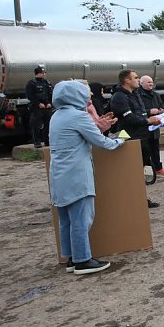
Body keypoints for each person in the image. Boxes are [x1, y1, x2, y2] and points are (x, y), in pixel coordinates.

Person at [49, 80, 125, 275]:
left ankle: (71, 259)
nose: (89, 97)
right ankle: (83, 260)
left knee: (66, 219)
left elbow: (81, 136)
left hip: (59, 173)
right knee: (82, 219)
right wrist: (119, 141)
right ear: (76, 96)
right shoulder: (78, 116)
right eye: (85, 94)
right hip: (76, 173)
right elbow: (100, 141)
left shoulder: (56, 116)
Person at [109, 69, 162, 207]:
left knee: (140, 170)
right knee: (131, 171)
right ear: (127, 80)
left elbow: (141, 114)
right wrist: (148, 121)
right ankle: (133, 200)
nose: (138, 80)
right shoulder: (119, 97)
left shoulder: (135, 94)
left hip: (142, 137)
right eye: (136, 77)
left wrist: (150, 118)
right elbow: (129, 118)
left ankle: (140, 198)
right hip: (129, 138)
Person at [137, 75, 164, 176]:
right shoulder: (137, 95)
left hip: (155, 126)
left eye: (151, 82)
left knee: (155, 148)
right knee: (144, 150)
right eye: (148, 82)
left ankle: (158, 168)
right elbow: (137, 112)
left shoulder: (156, 95)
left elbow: (162, 106)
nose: (151, 84)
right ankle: (140, 169)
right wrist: (149, 111)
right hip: (143, 126)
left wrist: (162, 110)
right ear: (141, 83)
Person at [26, 66, 53, 148]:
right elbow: (30, 96)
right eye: (43, 73)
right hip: (37, 108)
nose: (44, 74)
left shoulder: (47, 83)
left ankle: (47, 141)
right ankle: (37, 142)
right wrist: (38, 104)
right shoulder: (31, 83)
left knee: (48, 125)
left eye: (44, 73)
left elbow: (50, 94)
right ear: (38, 73)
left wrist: (49, 103)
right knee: (36, 125)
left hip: (47, 107)